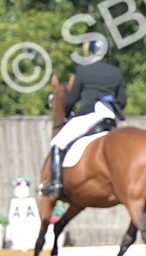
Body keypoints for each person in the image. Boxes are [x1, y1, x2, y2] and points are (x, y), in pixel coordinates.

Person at [41, 34, 127, 199]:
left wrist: (67, 112)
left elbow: (72, 98)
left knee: (57, 142)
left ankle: (56, 185)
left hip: (90, 115)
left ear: (91, 50)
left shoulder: (84, 70)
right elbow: (122, 101)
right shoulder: (116, 72)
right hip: (111, 117)